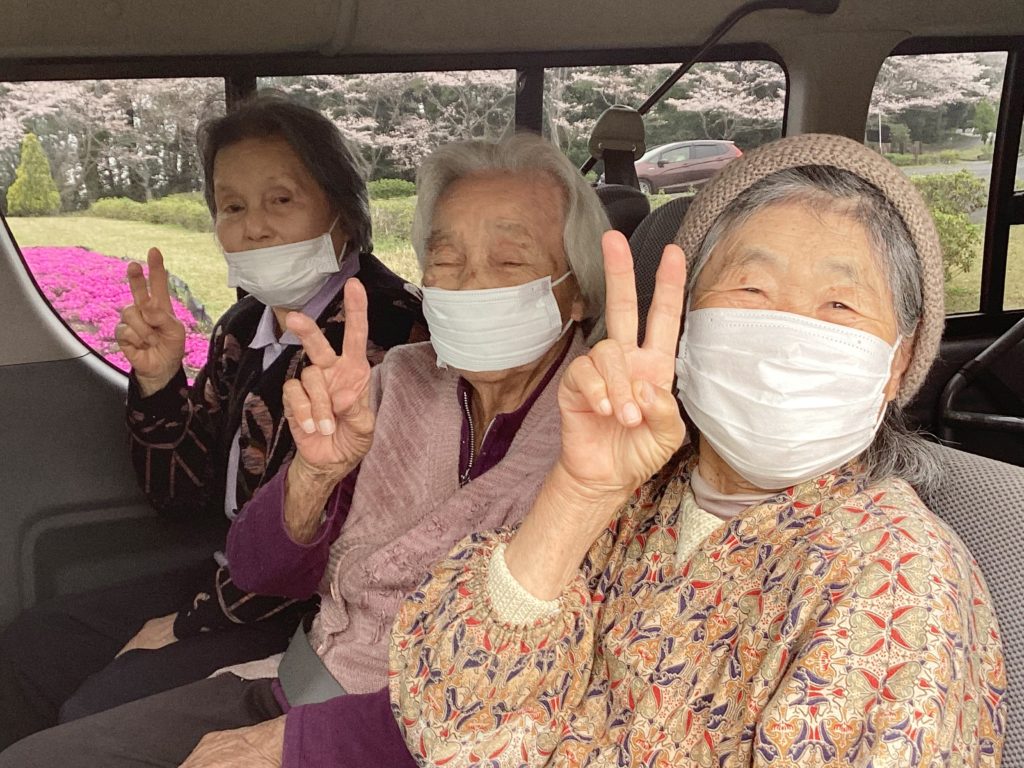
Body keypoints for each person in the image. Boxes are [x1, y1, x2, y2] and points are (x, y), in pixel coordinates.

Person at [389, 134, 1007, 766]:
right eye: (751, 290)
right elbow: (451, 728)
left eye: (840, 304)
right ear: (684, 322)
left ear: (899, 361)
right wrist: (578, 494)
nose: (787, 335)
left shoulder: (897, 580)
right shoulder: (635, 498)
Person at [0, 132, 613, 768]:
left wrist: (212, 653)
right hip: (310, 674)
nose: (471, 285)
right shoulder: (395, 379)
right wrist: (312, 477)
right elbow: (250, 557)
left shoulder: (608, 434)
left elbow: (547, 689)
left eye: (509, 262)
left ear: (579, 292)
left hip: (423, 734)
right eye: (446, 259)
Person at [0, 92, 425, 749]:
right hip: (226, 574)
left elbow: (332, 545)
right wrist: (158, 381)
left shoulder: (388, 331)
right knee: (35, 644)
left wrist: (186, 624)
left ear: (341, 209)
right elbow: (180, 495)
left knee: (97, 705)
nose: (253, 227)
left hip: (312, 608)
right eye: (232, 206)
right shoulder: (244, 326)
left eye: (280, 199)